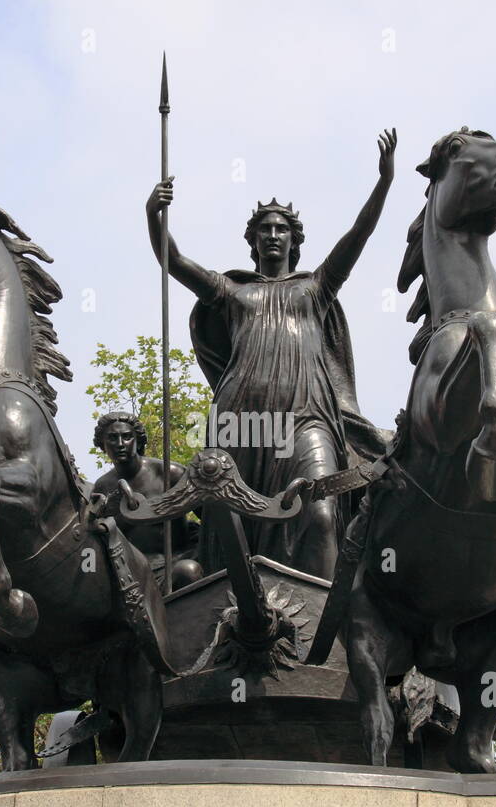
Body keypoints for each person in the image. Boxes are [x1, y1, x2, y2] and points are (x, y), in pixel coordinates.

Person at [144, 130, 396, 579]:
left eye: (281, 229)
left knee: (318, 512)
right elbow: (173, 260)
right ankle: (232, 619)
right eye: (265, 229)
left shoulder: (315, 288)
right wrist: (154, 215)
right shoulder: (231, 290)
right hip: (241, 419)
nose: (273, 235)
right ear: (253, 240)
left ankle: (318, 632)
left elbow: (359, 234)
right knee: (229, 526)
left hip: (307, 417)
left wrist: (384, 182)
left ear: (294, 239)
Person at [91, 410, 203, 590]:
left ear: (138, 440)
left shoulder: (169, 473)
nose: (120, 444)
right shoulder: (102, 487)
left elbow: (210, 515)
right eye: (112, 438)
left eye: (127, 437)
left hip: (178, 561)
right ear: (102, 444)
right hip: (134, 574)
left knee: (188, 571)